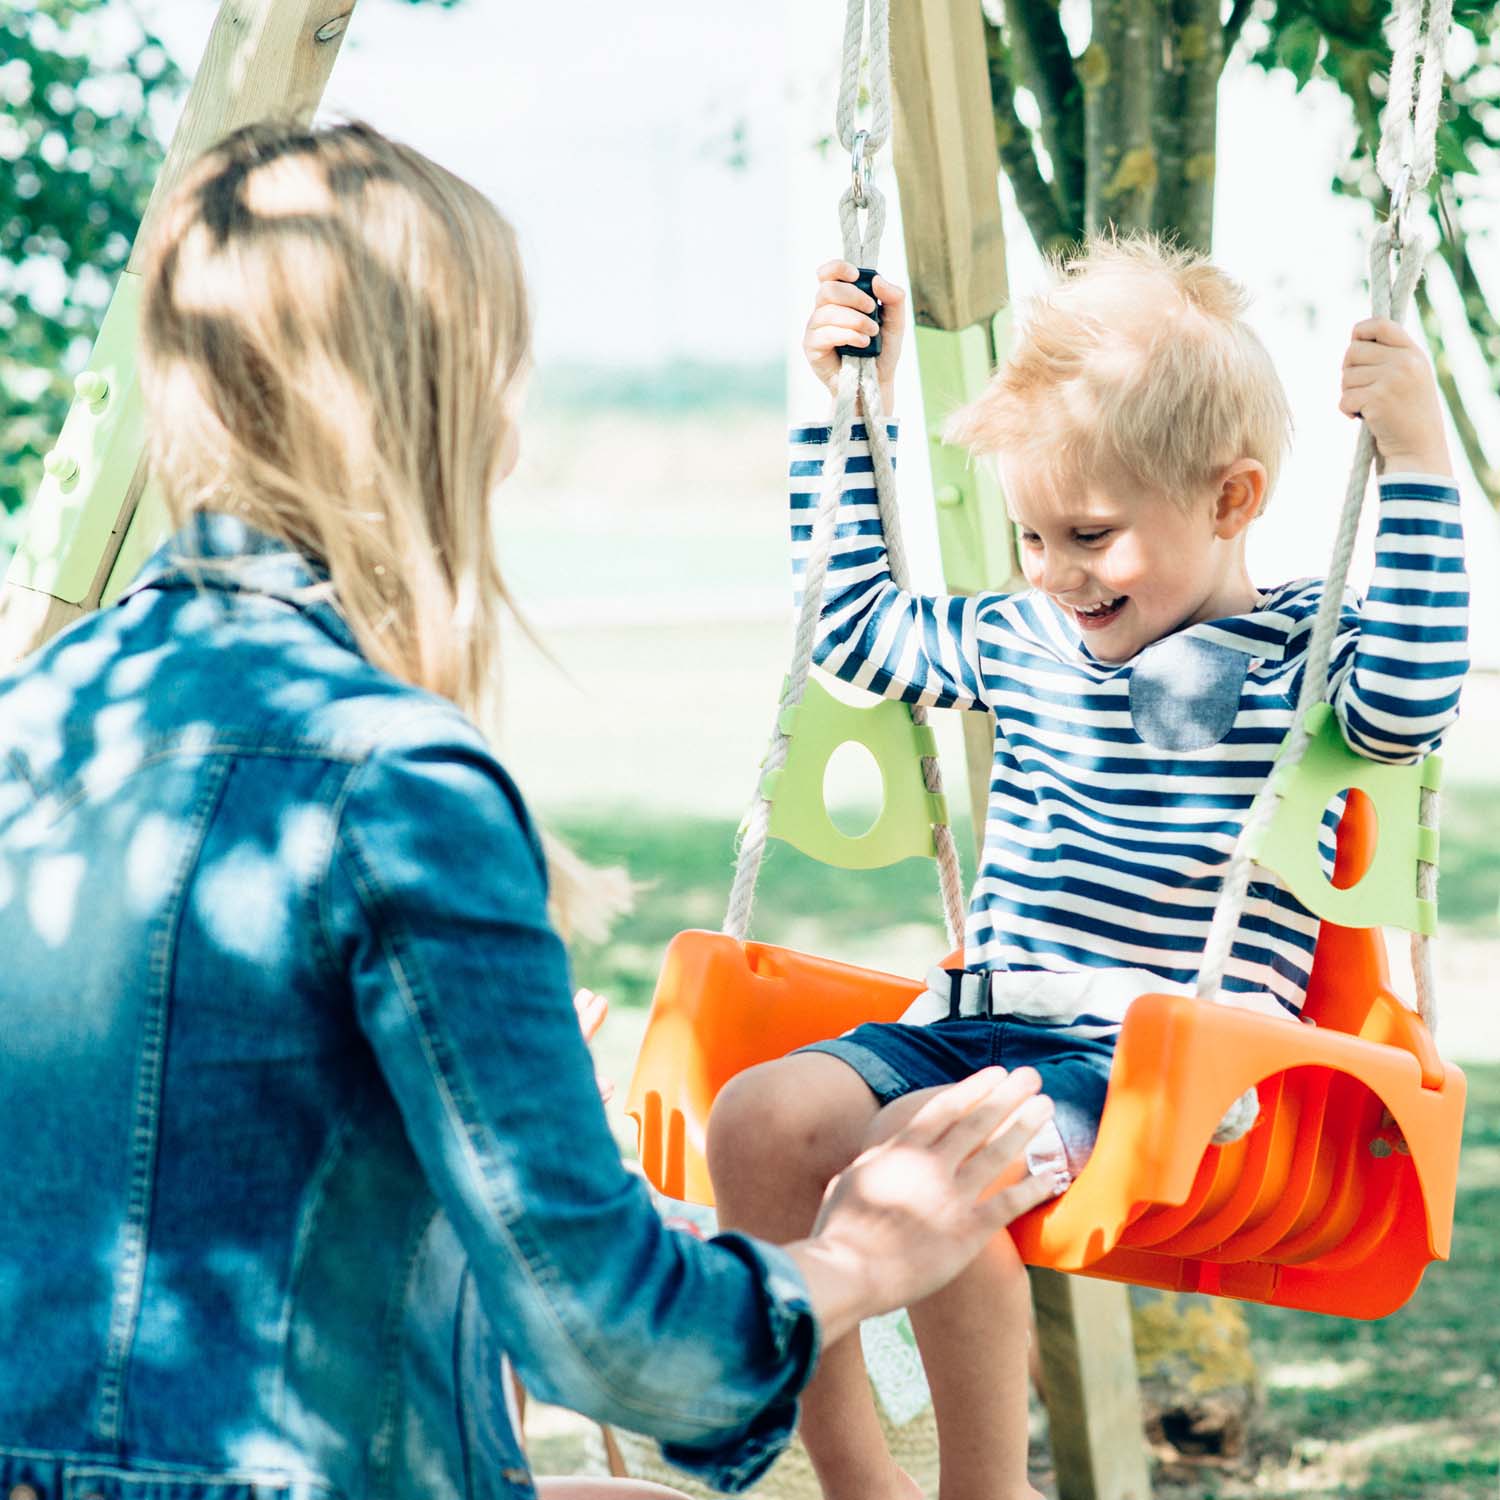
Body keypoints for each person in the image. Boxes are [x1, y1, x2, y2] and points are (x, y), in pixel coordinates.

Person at [0, 121, 1064, 1500]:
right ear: (428, 399)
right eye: (503, 380)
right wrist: (867, 1247)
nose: (510, 432)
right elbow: (609, 1338)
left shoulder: (41, 714)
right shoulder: (390, 784)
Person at [708, 236, 1470, 1500]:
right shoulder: (1023, 636)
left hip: (1161, 1065)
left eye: (1091, 536)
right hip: (976, 1022)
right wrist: (850, 417)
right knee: (759, 1119)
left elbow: (1405, 702)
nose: (1057, 574)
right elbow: (848, 628)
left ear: (1230, 500)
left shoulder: (1301, 654)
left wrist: (1421, 462)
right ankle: (852, 1477)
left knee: (916, 1170)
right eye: (1032, 539)